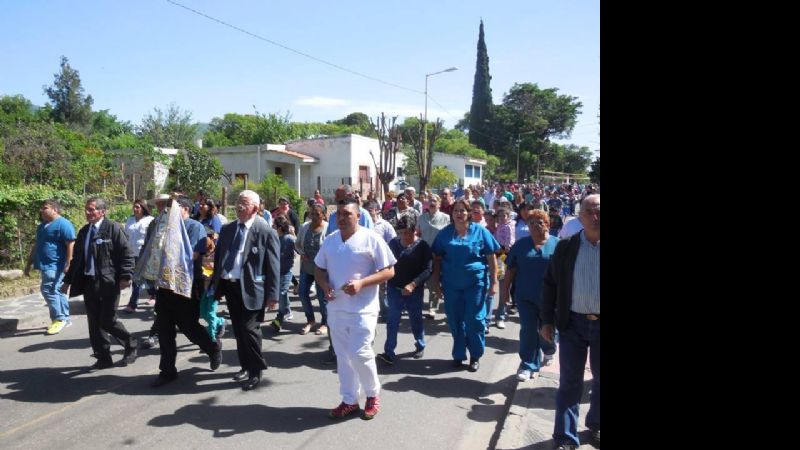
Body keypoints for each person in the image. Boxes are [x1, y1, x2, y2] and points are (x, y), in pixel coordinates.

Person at [314, 199, 396, 420]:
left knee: (360, 353)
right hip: (336, 309)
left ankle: (372, 394)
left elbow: (389, 272)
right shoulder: (330, 241)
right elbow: (318, 269)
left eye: (347, 214)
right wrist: (324, 285)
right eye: (339, 214)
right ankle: (349, 399)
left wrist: (362, 284)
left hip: (363, 309)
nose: (341, 218)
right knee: (343, 356)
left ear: (358, 216)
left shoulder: (372, 239)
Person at [540, 194, 600, 450]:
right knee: (570, 381)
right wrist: (546, 321)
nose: (595, 217)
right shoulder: (566, 247)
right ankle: (565, 437)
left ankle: (596, 427)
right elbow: (550, 284)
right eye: (590, 212)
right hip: (572, 322)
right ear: (580, 216)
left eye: (599, 211)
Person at [148, 197, 224, 388]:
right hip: (165, 286)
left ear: (185, 210)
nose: (167, 211)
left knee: (189, 328)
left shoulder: (194, 227)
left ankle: (212, 347)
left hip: (186, 286)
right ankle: (167, 371)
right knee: (164, 331)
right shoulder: (161, 226)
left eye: (171, 208)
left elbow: (191, 255)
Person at [212, 190, 280, 391]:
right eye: (238, 202)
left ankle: (256, 370)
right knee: (239, 332)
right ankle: (244, 366)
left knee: (250, 330)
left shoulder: (265, 231)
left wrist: (273, 295)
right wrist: (216, 285)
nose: (239, 206)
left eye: (244, 203)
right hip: (230, 286)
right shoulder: (227, 229)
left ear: (255, 208)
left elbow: (273, 266)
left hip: (253, 289)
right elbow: (220, 259)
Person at [62, 197, 138, 369]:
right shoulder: (84, 232)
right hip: (90, 282)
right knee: (94, 323)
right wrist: (67, 281)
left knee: (108, 320)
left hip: (109, 281)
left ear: (102, 211)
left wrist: (126, 276)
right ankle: (103, 357)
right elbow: (77, 260)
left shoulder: (113, 228)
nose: (88, 213)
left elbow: (126, 253)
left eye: (92, 209)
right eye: (86, 209)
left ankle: (130, 343)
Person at [431, 199, 500, 372]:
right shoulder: (445, 234)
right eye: (456, 211)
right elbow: (437, 258)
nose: (459, 214)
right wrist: (436, 285)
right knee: (455, 320)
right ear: (451, 214)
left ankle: (475, 355)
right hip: (451, 284)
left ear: (468, 213)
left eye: (462, 210)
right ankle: (459, 354)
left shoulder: (480, 231)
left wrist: (494, 282)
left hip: (475, 283)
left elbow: (492, 257)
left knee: (474, 320)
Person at [500, 209, 558, 382]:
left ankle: (548, 350)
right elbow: (510, 270)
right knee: (528, 330)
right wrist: (505, 293)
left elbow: (566, 272)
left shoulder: (559, 244)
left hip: (550, 298)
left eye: (539, 222)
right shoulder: (521, 245)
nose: (535, 226)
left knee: (546, 330)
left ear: (547, 225)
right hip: (525, 296)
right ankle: (528, 364)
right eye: (531, 223)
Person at [377, 215, 431, 365]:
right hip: (395, 289)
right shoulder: (393, 244)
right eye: (401, 232)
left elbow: (428, 269)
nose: (405, 236)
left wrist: (413, 284)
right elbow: (386, 264)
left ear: (415, 231)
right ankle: (389, 352)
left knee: (415, 319)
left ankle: (420, 344)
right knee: (392, 321)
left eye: (408, 232)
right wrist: (382, 280)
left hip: (414, 290)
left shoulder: (422, 246)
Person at [25, 199, 76, 335]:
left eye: (45, 208)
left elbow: (70, 243)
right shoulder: (42, 226)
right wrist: (29, 263)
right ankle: (65, 318)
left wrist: (69, 263)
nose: (42, 210)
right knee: (57, 291)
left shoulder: (63, 224)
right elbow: (36, 245)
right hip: (44, 264)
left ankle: (58, 319)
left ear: (55, 210)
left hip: (56, 265)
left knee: (48, 290)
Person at [295, 204, 330, 336]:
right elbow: (297, 244)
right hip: (307, 268)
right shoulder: (305, 227)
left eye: (317, 214)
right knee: (303, 294)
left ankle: (325, 323)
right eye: (312, 213)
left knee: (322, 298)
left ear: (324, 215)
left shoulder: (328, 228)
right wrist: (301, 253)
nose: (314, 216)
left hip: (322, 270)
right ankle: (310, 320)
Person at [415, 193, 449, 319]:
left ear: (439, 203)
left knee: (435, 280)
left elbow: (448, 235)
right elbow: (418, 233)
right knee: (425, 280)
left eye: (435, 200)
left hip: (439, 254)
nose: (432, 203)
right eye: (430, 201)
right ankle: (423, 305)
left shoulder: (446, 218)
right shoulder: (421, 217)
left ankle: (432, 308)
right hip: (424, 252)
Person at [365, 200, 396, 323]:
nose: (367, 214)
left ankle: (386, 313)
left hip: (380, 262)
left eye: (369, 211)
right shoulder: (362, 225)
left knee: (382, 290)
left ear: (377, 210)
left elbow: (393, 242)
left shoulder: (385, 225)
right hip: (366, 262)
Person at [122, 199, 154, 313]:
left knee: (137, 278)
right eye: (134, 207)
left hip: (144, 253)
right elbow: (125, 235)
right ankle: (153, 294)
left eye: (137, 207)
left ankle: (132, 303)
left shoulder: (150, 220)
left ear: (143, 208)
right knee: (144, 279)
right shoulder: (130, 220)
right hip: (130, 253)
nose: (135, 209)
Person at [269, 214, 297, 332]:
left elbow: (299, 247)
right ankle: (287, 311)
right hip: (276, 272)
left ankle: (279, 318)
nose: (273, 227)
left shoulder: (289, 239)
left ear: (279, 227)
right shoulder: (275, 238)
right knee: (283, 294)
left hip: (286, 272)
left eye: (274, 225)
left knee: (282, 292)